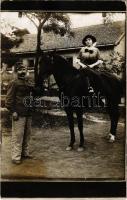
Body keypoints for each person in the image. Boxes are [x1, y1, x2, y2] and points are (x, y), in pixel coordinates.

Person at [5, 67, 34, 164]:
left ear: (26, 72)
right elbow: (9, 99)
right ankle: (16, 157)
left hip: (28, 112)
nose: (22, 72)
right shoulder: (13, 83)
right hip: (18, 113)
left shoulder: (28, 83)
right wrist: (13, 111)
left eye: (24, 70)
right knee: (18, 135)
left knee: (27, 134)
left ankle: (25, 153)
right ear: (16, 72)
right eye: (20, 70)